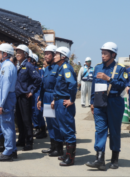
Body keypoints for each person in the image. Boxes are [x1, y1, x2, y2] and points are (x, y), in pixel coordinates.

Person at [86, 42, 127, 170]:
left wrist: (109, 79)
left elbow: (123, 85)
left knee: (114, 131)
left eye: (105, 53)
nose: (102, 56)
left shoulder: (120, 68)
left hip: (115, 102)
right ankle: (99, 159)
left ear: (113, 54)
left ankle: (114, 159)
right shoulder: (97, 67)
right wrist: (92, 102)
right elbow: (94, 86)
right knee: (100, 130)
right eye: (102, 53)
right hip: (99, 102)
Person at [51, 46, 77, 166]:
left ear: (63, 56)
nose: (54, 55)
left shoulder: (65, 67)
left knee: (68, 129)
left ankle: (70, 158)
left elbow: (72, 84)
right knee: (62, 129)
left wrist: (71, 99)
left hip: (64, 103)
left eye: (56, 54)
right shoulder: (60, 68)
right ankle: (67, 154)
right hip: (58, 101)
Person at [38, 45, 64, 157]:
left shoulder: (58, 68)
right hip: (46, 97)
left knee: (56, 123)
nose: (46, 56)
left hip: (54, 97)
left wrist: (55, 98)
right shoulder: (47, 68)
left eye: (49, 53)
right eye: (45, 53)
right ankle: (52, 146)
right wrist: (40, 98)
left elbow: (59, 85)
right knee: (49, 123)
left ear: (54, 55)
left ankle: (59, 149)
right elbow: (43, 85)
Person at [15, 45, 42, 151]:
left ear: (25, 54)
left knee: (26, 120)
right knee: (19, 120)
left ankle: (29, 142)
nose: (17, 54)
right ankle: (21, 139)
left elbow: (38, 79)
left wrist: (32, 91)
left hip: (25, 97)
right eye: (16, 52)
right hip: (17, 96)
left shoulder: (29, 66)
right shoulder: (17, 65)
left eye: (20, 52)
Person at [0, 43, 18, 162]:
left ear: (4, 54)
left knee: (6, 125)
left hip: (6, 97)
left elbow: (5, 86)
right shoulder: (5, 65)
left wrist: (0, 104)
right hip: (7, 97)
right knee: (9, 125)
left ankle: (8, 151)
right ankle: (12, 149)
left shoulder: (7, 66)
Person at [31, 54, 47, 139]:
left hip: (37, 92)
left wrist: (40, 95)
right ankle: (37, 128)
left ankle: (43, 129)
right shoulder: (28, 69)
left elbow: (42, 83)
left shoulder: (39, 70)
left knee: (38, 111)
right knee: (33, 111)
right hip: (31, 92)